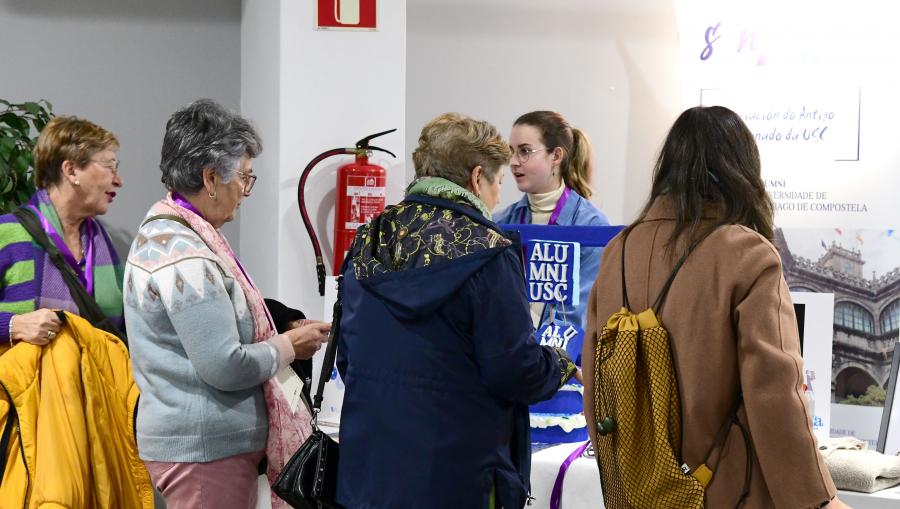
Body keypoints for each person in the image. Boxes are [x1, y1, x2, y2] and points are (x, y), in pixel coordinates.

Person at [582, 106, 850, 508]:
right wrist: (816, 500)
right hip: (728, 489)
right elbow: (775, 392)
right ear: (740, 169)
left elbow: (596, 382)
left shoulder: (619, 251)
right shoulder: (745, 252)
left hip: (640, 493)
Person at [336, 112, 578, 509]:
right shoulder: (489, 251)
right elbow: (513, 370)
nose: (498, 196)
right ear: (477, 177)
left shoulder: (369, 239)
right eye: (499, 183)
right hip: (458, 476)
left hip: (370, 473)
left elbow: (349, 358)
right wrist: (559, 364)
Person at [123, 99, 331, 509]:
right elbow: (224, 364)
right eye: (245, 178)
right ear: (211, 177)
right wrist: (291, 347)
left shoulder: (172, 234)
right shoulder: (185, 254)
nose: (245, 192)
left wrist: (280, 329)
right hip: (204, 447)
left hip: (199, 442)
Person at [0, 115, 124, 350]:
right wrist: (13, 325)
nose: (119, 180)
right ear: (71, 170)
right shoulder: (8, 233)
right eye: (110, 166)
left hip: (91, 384)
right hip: (23, 385)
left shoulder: (100, 243)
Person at [494, 111, 609, 330]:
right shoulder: (500, 221)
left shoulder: (591, 226)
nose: (513, 162)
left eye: (525, 151)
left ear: (556, 156)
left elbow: (574, 318)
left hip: (559, 359)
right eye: (511, 152)